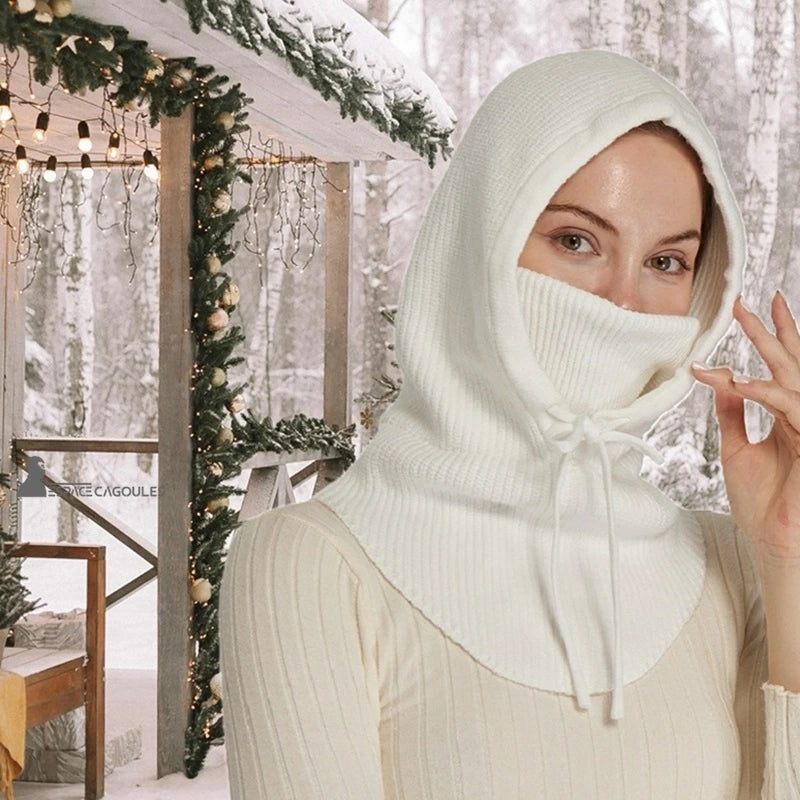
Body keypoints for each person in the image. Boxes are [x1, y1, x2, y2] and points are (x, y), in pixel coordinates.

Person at [220, 50, 800, 799]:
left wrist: (787, 561)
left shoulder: (735, 563)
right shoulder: (311, 566)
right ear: (478, 244)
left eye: (665, 262)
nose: (622, 303)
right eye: (576, 241)